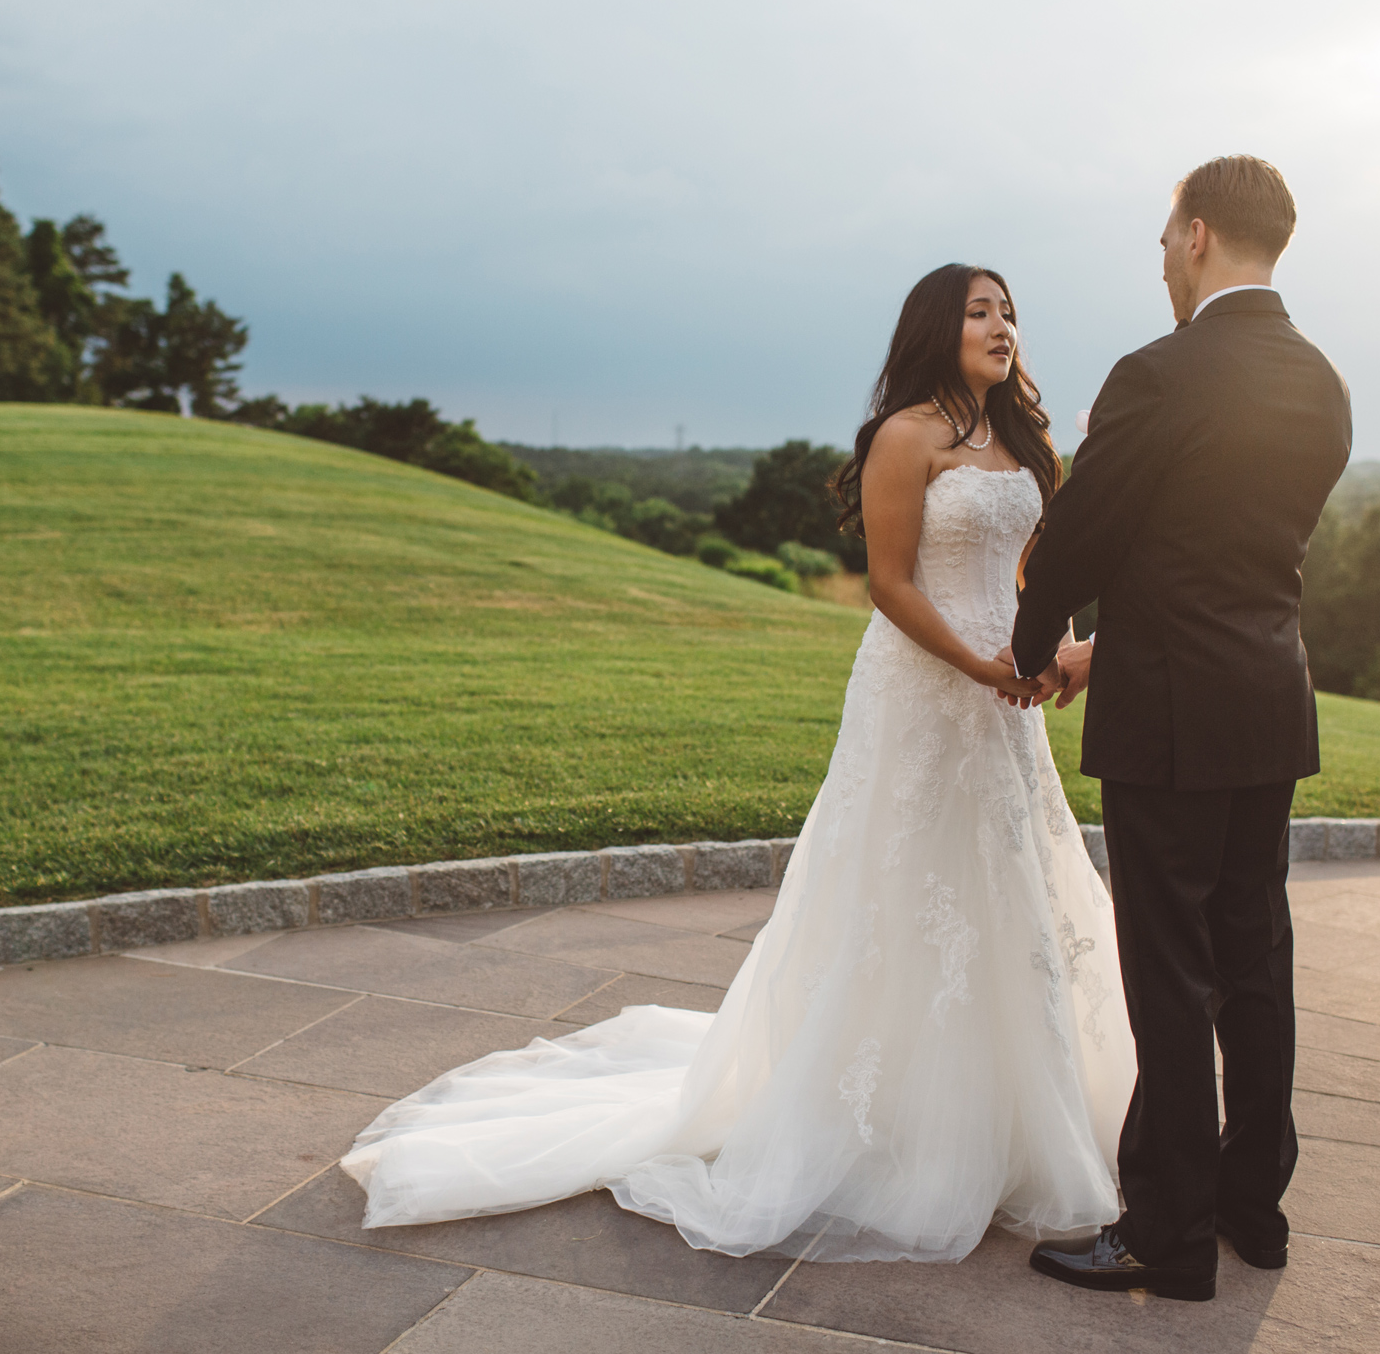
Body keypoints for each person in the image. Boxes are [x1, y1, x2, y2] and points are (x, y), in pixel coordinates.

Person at [341, 264, 1134, 1262]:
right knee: (909, 883)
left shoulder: (1024, 439)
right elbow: (888, 584)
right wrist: (979, 662)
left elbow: (1034, 570)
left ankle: (1020, 1111)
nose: (1001, 325)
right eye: (979, 310)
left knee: (1010, 883)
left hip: (1002, 702)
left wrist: (1042, 655)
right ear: (936, 329)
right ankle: (886, 1123)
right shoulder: (905, 435)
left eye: (1009, 311)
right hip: (926, 687)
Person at [1007, 156, 1353, 1301]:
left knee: (1167, 967)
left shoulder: (1159, 371)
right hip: (1268, 700)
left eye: (1164, 237)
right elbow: (1236, 555)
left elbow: (1085, 534)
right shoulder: (1322, 381)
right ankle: (1254, 1205)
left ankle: (1165, 1229)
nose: (1162, 256)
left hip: (1167, 713)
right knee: (1254, 958)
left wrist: (1033, 640)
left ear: (1196, 234)